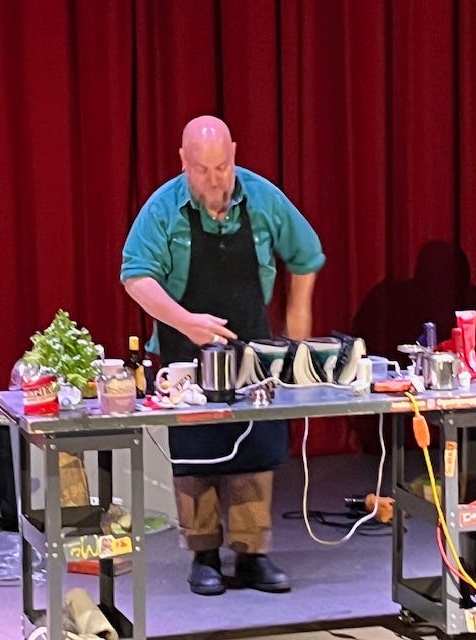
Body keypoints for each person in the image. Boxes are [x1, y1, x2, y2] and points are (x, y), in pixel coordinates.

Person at [121, 115, 326, 595]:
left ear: (234, 152)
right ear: (183, 162)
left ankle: (254, 555)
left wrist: (297, 324)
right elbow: (136, 276)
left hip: (252, 347)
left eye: (223, 166)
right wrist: (186, 322)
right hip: (183, 353)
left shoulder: (262, 197)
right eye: (202, 170)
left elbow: (307, 253)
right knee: (197, 454)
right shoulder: (164, 209)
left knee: (255, 450)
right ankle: (204, 554)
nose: (214, 180)